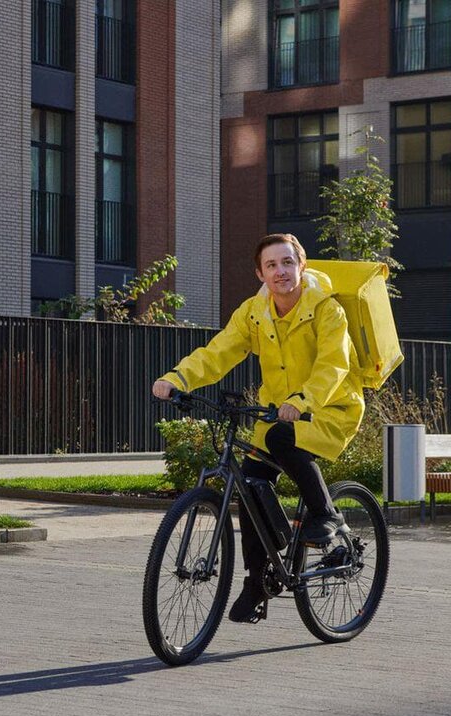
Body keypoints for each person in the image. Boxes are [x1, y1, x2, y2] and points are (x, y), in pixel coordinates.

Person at [151, 233, 365, 623]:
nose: (280, 272)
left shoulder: (327, 309)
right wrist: (179, 378)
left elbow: (333, 366)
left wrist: (302, 401)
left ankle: (327, 515)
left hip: (329, 408)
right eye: (271, 265)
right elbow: (219, 352)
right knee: (250, 482)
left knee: (284, 439)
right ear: (260, 273)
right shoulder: (254, 312)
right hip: (277, 414)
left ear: (301, 264)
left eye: (287, 262)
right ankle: (257, 582)